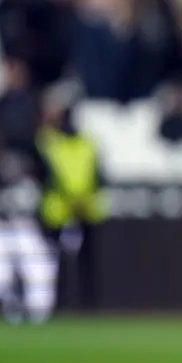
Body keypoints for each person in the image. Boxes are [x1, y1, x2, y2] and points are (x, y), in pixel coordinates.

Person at [37, 103, 106, 314]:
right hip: (66, 209)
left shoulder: (51, 142)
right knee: (61, 261)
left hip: (76, 209)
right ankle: (65, 304)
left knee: (84, 261)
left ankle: (84, 304)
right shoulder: (54, 142)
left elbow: (96, 176)